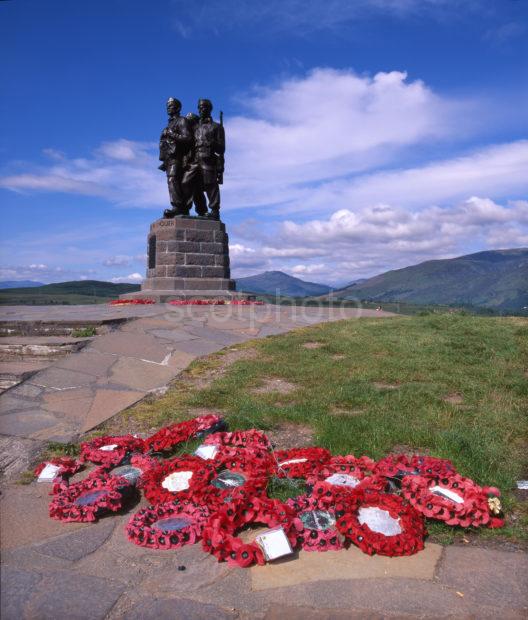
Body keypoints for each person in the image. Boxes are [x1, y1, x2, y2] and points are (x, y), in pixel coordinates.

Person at [182, 99, 225, 220]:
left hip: (208, 159)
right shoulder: (195, 127)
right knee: (186, 182)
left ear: (209, 109)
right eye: (199, 108)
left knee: (210, 185)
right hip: (195, 160)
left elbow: (221, 149)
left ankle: (215, 210)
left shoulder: (216, 127)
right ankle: (187, 208)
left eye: (203, 107)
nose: (201, 110)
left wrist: (212, 143)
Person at [158, 97, 192, 217]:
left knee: (173, 180)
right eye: (168, 106)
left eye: (171, 106)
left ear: (178, 108)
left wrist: (171, 133)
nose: (168, 108)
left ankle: (178, 207)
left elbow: (187, 138)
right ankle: (180, 207)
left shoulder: (182, 121)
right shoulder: (170, 123)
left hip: (178, 157)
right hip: (169, 158)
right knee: (172, 181)